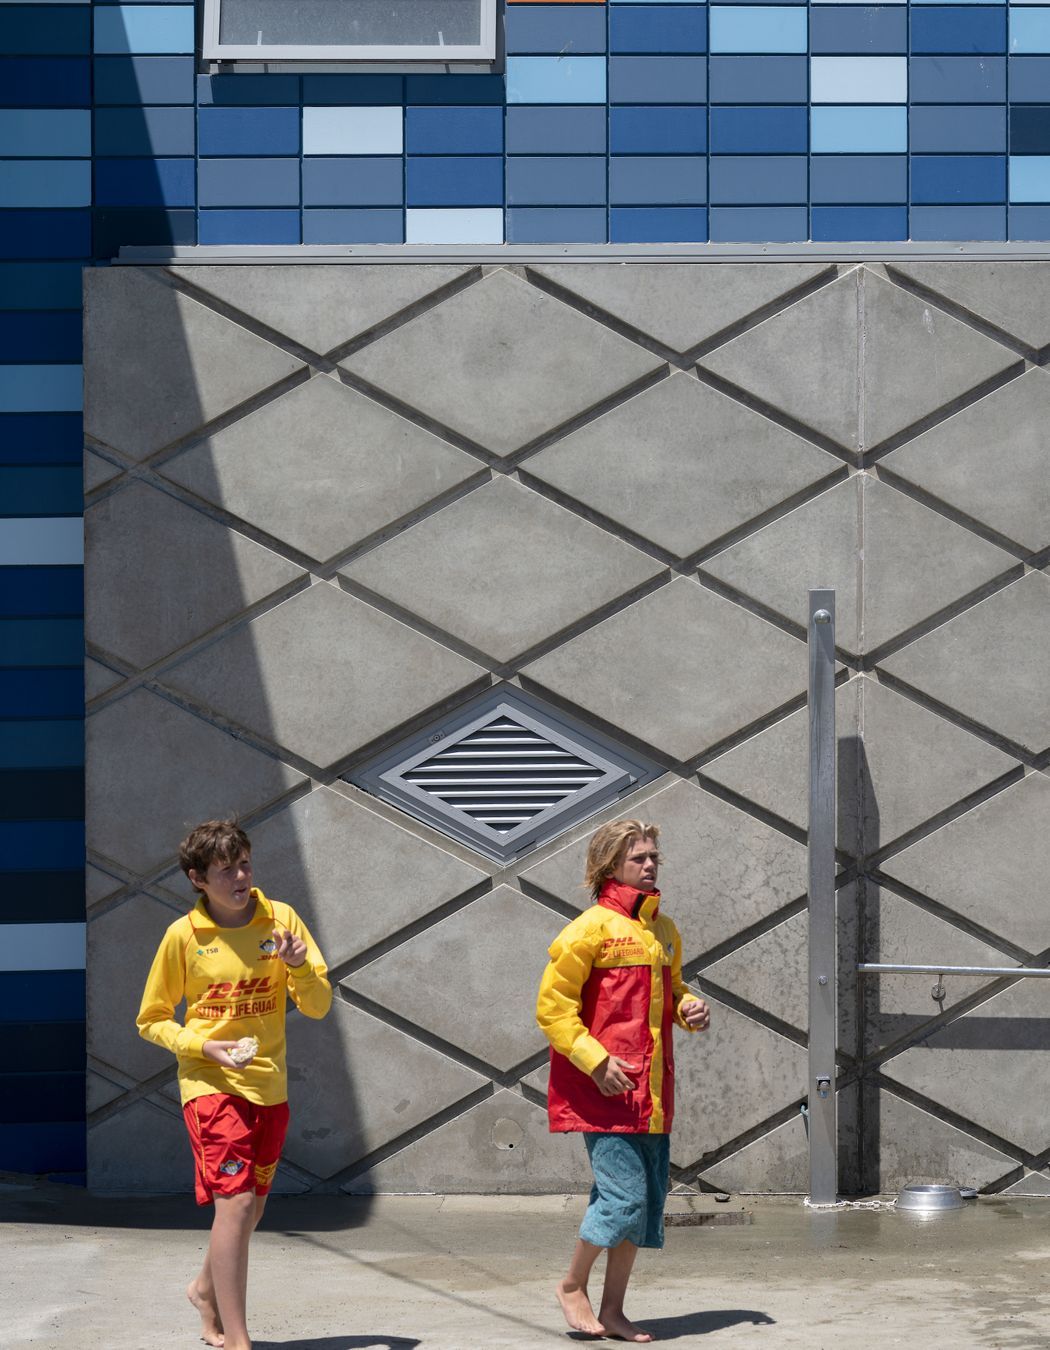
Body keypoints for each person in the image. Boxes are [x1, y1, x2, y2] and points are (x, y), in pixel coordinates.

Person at [136, 819, 332, 1350]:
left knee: (252, 1208)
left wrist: (300, 968)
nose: (241, 877)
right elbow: (151, 1019)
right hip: (209, 1084)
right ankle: (240, 1340)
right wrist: (203, 1047)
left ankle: (204, 1290)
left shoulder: (281, 919)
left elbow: (318, 1006)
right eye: (226, 870)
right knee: (238, 1205)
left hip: (269, 1085)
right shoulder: (183, 936)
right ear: (198, 879)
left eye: (244, 864)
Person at [536, 819, 710, 1343]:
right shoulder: (588, 929)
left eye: (654, 856)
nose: (651, 865)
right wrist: (595, 1061)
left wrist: (688, 1007)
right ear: (611, 865)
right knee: (623, 1200)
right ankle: (572, 1285)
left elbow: (671, 991)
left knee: (643, 1206)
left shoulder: (664, 930)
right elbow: (553, 1009)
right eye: (639, 858)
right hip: (605, 1094)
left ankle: (612, 1311)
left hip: (650, 1096)